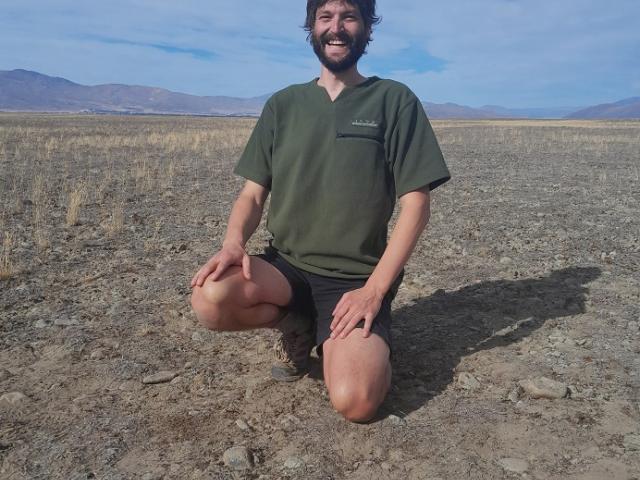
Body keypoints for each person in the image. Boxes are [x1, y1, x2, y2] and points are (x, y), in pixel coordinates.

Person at [190, 0, 450, 423]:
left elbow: (416, 204)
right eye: (326, 17)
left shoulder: (393, 100)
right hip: (287, 267)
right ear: (311, 27)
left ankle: (357, 340)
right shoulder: (283, 105)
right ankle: (299, 326)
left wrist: (374, 290)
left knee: (356, 401)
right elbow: (252, 194)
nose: (337, 28)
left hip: (355, 279)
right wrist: (233, 243)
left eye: (349, 17)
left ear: (367, 27)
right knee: (211, 299)